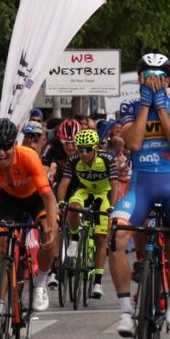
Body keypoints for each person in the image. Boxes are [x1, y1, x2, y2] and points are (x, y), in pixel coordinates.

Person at [108, 52, 170, 336]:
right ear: (139, 78)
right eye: (147, 74)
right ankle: (125, 313)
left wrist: (161, 107)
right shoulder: (129, 105)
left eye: (159, 76)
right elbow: (132, 144)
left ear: (168, 80)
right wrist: (146, 104)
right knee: (115, 235)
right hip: (140, 188)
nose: (153, 80)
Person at [0, 118, 59, 318]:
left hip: (36, 198)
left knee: (48, 231)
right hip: (9, 200)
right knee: (1, 250)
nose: (1, 153)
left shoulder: (28, 156)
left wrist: (51, 226)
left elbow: (48, 197)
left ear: (15, 144)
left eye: (6, 147)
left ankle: (41, 282)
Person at [57, 128, 120, 299]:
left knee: (100, 238)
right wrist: (61, 202)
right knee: (73, 205)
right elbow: (64, 183)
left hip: (103, 193)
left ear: (95, 148)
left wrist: (112, 207)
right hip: (84, 190)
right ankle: (76, 238)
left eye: (87, 149)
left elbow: (115, 185)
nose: (83, 153)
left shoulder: (106, 159)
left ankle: (97, 282)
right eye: (80, 149)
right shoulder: (74, 160)